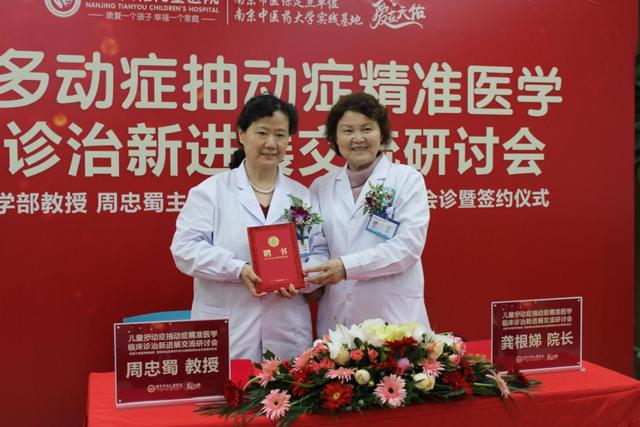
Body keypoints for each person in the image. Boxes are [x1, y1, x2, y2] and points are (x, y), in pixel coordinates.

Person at [171, 94, 326, 361]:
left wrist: (301, 279)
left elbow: (320, 251)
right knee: (230, 386)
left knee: (285, 386)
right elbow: (185, 249)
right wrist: (237, 269)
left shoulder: (302, 195)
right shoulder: (210, 192)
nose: (271, 143)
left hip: (287, 327)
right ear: (242, 134)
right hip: (231, 327)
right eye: (262, 133)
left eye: (280, 135)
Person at [304, 92, 431, 337]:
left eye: (367, 128)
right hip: (337, 319)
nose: (358, 138)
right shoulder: (321, 186)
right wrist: (305, 279)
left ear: (382, 134)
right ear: (335, 138)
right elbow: (315, 246)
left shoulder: (407, 179)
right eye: (347, 130)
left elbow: (408, 247)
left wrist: (346, 267)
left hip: (394, 318)